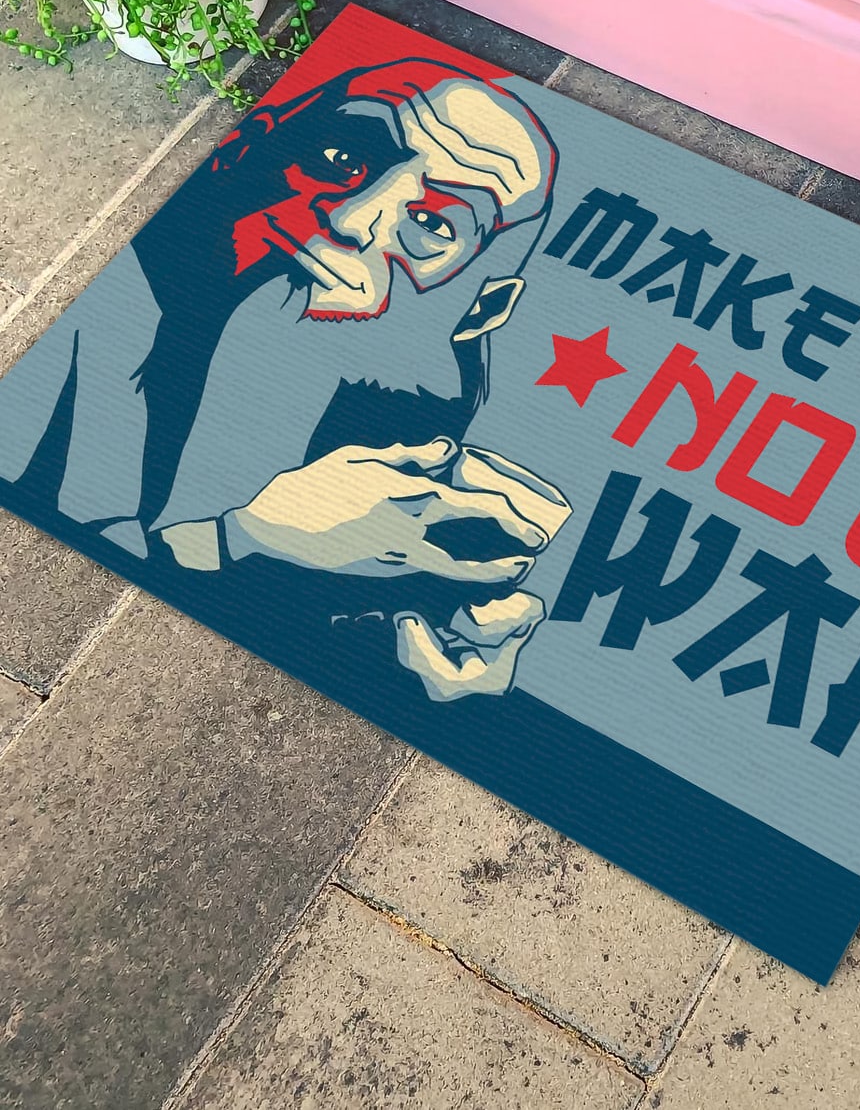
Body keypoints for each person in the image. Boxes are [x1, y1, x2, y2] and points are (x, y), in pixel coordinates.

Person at [0, 57, 569, 701]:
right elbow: (79, 553)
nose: (350, 221)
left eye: (433, 225)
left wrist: (407, 648)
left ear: (482, 310)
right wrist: (242, 534)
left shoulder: (411, 426)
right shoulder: (108, 330)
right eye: (340, 158)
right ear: (244, 150)